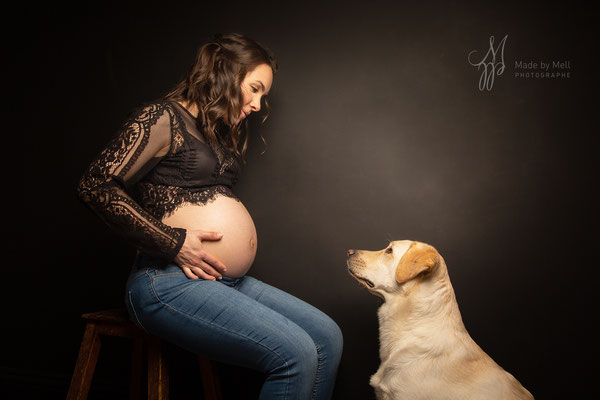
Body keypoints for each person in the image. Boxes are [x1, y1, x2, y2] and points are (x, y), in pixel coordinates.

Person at [77, 33, 343, 399]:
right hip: (167, 281)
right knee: (296, 353)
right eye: (254, 88)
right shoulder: (162, 117)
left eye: (262, 95)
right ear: (225, 70)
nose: (257, 104)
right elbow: (95, 185)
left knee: (327, 337)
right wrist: (173, 242)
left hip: (222, 280)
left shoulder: (217, 133)